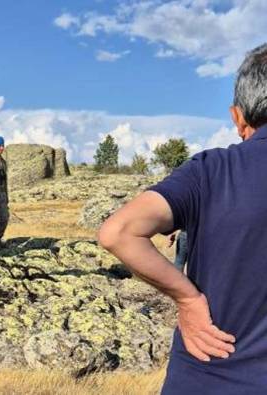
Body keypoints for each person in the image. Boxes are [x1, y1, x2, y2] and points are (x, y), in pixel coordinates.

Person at [98, 43, 267, 393]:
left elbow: (119, 232)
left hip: (206, 375)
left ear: (238, 116)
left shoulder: (212, 171)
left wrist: (188, 300)